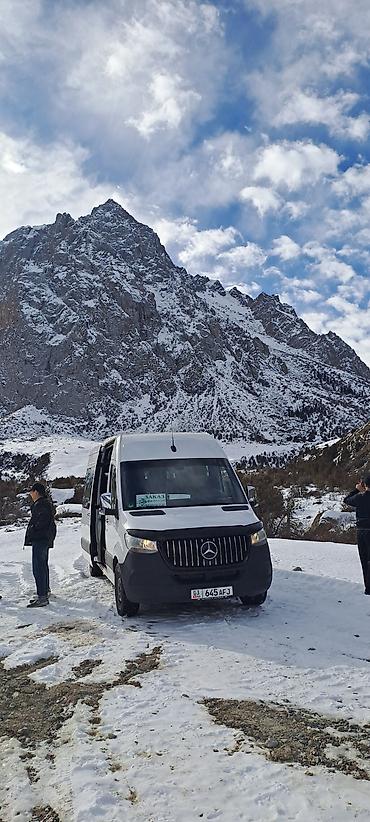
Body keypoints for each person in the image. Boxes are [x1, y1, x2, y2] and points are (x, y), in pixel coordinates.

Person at [24, 481, 56, 607]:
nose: (30, 494)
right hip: (44, 539)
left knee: (38, 568)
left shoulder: (40, 505)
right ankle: (45, 591)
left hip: (40, 539)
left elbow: (42, 522)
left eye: (31, 492)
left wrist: (33, 530)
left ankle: (42, 596)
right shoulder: (44, 504)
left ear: (36, 492)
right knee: (42, 566)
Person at [344, 476, 370, 595]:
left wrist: (357, 490)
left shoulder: (360, 498)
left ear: (365, 485)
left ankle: (368, 588)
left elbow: (347, 500)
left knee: (364, 560)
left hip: (361, 531)